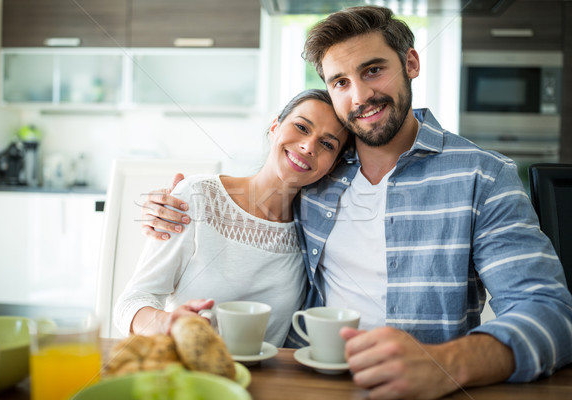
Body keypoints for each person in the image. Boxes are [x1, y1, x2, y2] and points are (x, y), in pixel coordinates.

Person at [139, 6, 572, 399]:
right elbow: (253, 194)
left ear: (411, 63)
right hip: (303, 385)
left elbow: (551, 314)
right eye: (340, 82)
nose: (360, 96)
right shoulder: (319, 171)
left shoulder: (482, 175)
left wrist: (447, 366)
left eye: (373, 70)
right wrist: (181, 200)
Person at [114, 89, 350, 349]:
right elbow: (130, 303)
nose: (308, 146)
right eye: (301, 127)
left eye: (327, 144)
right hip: (189, 375)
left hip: (266, 385)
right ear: (275, 127)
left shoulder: (312, 233)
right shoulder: (197, 196)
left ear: (334, 163)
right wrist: (166, 323)